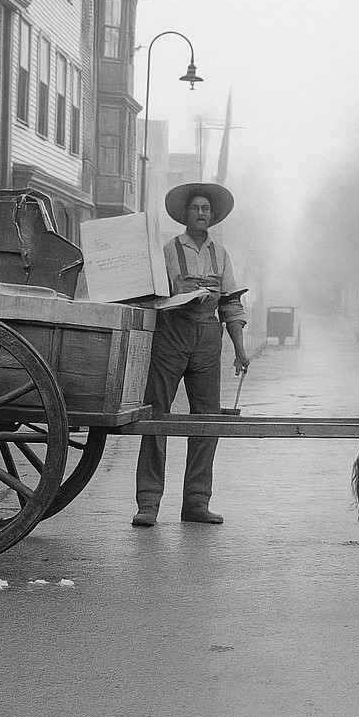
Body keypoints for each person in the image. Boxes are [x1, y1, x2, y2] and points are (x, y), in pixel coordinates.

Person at [132, 182, 250, 527]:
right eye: (196, 208)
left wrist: (240, 350)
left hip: (208, 339)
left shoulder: (221, 254)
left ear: (212, 216)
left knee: (206, 418)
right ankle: (148, 503)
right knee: (157, 416)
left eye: (206, 209)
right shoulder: (169, 250)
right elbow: (152, 295)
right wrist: (180, 295)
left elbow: (231, 303)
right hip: (172, 335)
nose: (201, 213)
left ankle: (197, 502)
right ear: (186, 214)